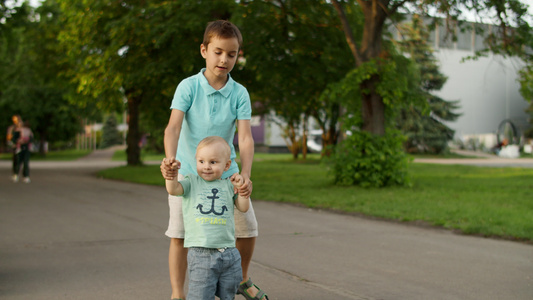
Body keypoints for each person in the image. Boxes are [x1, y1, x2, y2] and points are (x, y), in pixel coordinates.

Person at [161, 20, 268, 300]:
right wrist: (171, 161)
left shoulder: (239, 93)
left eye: (231, 54)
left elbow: (245, 138)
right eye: (218, 51)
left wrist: (244, 173)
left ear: (237, 56)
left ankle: (241, 280)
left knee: (247, 228)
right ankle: (177, 293)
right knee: (180, 235)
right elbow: (173, 127)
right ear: (204, 50)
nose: (224, 59)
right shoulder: (188, 87)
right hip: (188, 171)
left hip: (226, 172)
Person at [165, 136, 250, 300]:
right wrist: (172, 175)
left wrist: (242, 188)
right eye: (201, 161)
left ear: (226, 166)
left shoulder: (228, 185)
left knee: (229, 294)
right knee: (200, 295)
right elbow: (173, 189)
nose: (206, 167)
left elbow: (243, 207)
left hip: (229, 253)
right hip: (201, 253)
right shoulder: (192, 182)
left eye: (213, 162)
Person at [6, 115, 33, 183]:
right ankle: (16, 174)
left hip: (26, 148)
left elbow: (31, 138)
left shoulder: (28, 131)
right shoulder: (14, 129)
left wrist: (26, 141)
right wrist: (16, 142)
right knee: (17, 162)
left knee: (26, 162)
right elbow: (12, 138)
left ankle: (26, 176)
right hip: (18, 147)